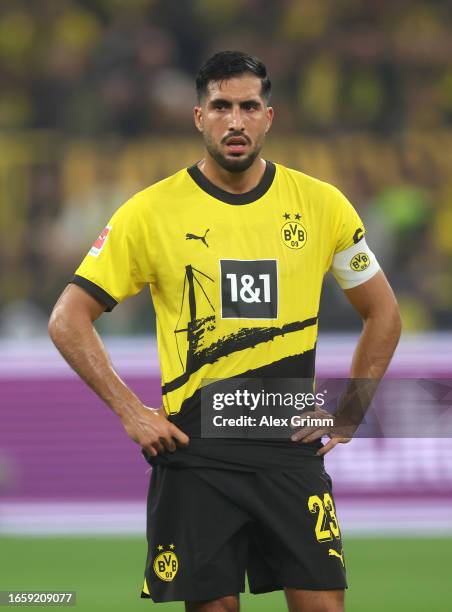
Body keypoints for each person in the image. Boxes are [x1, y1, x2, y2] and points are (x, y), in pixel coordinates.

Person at [48, 51, 401, 612]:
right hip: (197, 453)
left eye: (248, 106)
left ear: (269, 116)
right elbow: (67, 319)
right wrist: (130, 412)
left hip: (288, 448)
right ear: (198, 117)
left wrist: (352, 410)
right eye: (220, 107)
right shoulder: (149, 212)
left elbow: (384, 314)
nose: (234, 121)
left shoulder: (322, 205)